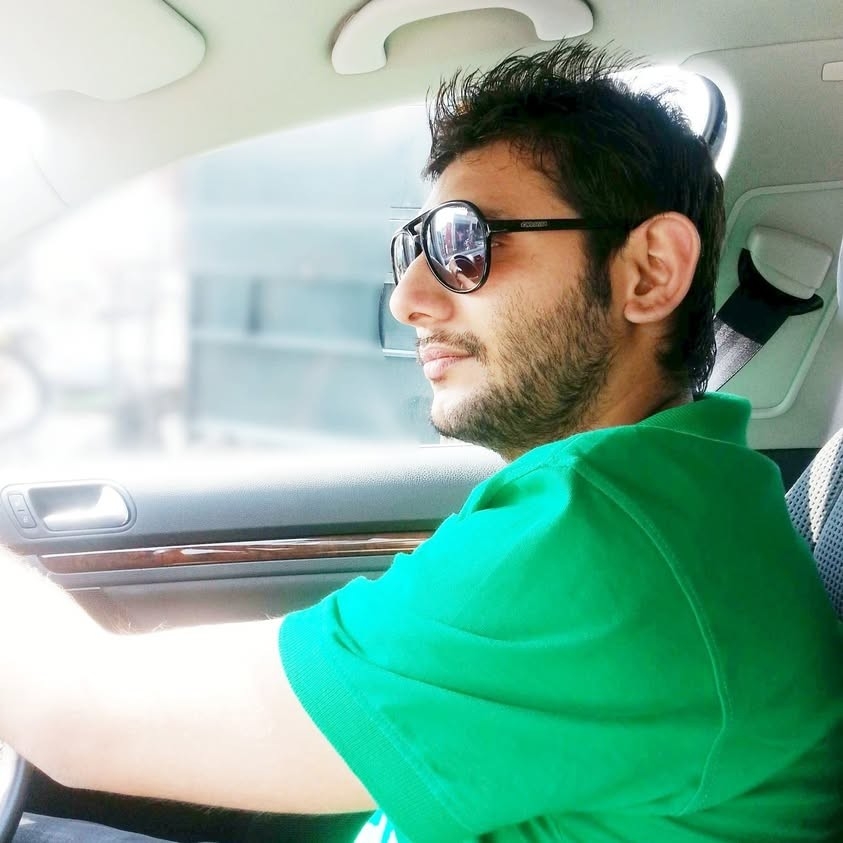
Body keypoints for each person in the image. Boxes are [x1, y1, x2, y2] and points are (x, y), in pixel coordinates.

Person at [4, 41, 841, 843]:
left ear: (649, 270)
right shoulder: (678, 492)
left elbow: (82, 715)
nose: (407, 298)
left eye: (463, 243)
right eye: (416, 248)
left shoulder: (598, 551)